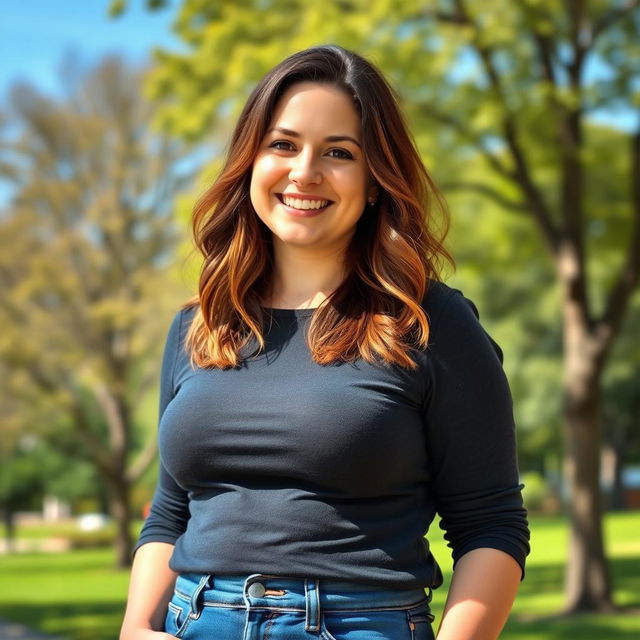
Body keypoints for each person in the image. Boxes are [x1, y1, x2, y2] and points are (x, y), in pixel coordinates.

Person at [119, 45, 530, 640]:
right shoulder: (199, 325)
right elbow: (171, 511)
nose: (304, 172)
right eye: (282, 145)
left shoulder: (428, 322)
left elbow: (490, 524)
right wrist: (135, 626)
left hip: (359, 624)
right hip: (194, 620)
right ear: (250, 162)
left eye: (339, 153)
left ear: (374, 181)